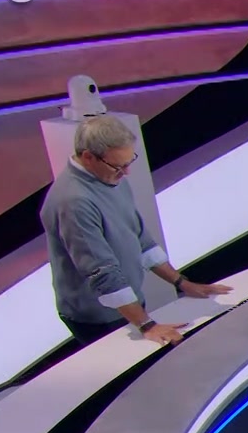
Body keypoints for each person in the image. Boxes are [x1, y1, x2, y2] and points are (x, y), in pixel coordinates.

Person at [40, 116, 228, 346]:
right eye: (118, 166)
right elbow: (101, 272)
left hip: (127, 305)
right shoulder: (73, 202)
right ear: (88, 157)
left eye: (129, 162)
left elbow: (140, 238)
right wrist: (146, 325)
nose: (126, 173)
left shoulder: (111, 177)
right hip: (99, 316)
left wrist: (182, 283)